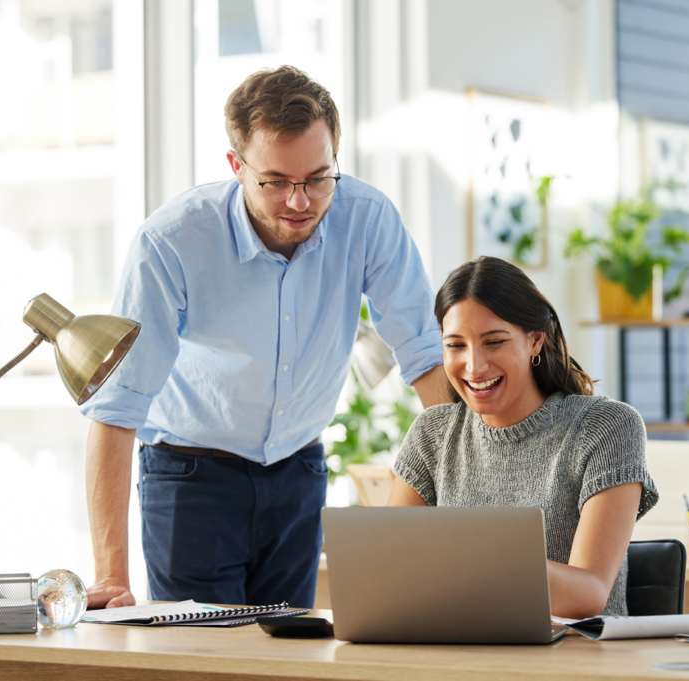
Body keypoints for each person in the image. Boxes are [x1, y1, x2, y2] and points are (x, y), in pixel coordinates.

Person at [82, 66, 449, 611]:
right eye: (275, 181)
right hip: (191, 477)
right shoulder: (172, 243)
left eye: (318, 178)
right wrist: (110, 575)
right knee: (205, 664)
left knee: (289, 662)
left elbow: (424, 355)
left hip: (299, 470)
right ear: (236, 165)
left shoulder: (367, 219)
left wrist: (466, 509)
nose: (300, 202)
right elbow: (117, 407)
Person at [387, 256, 658, 619]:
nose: (474, 366)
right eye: (455, 346)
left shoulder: (606, 427)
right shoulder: (433, 433)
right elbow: (387, 566)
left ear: (534, 340)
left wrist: (463, 556)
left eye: (494, 342)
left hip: (575, 661)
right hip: (460, 654)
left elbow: (589, 594)